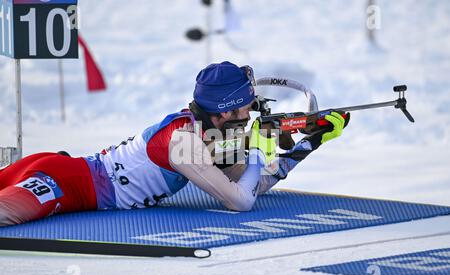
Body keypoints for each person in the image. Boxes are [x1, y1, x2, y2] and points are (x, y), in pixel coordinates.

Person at [0, 61, 347, 226]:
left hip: (59, 168)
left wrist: (304, 147)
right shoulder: (184, 143)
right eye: (246, 104)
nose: (252, 109)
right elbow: (240, 202)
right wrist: (257, 148)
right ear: (224, 112)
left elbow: (251, 184)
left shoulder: (204, 131)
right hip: (62, 184)